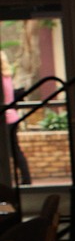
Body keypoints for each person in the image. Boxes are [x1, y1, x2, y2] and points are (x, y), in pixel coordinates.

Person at [1, 51, 31, 185]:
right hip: (11, 117)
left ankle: (22, 180)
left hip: (5, 119)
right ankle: (26, 179)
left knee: (12, 151)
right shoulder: (7, 77)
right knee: (15, 150)